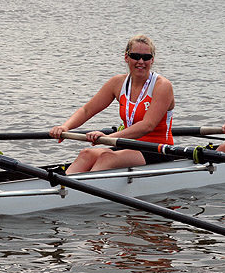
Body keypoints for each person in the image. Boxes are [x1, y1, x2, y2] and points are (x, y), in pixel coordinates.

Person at [49, 34, 175, 173]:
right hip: (128, 144)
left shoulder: (162, 86)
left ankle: (79, 190)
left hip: (157, 150)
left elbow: (147, 125)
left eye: (146, 57)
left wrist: (108, 138)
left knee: (107, 158)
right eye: (135, 56)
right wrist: (65, 127)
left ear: (152, 60)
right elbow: (87, 110)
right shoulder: (117, 83)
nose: (141, 61)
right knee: (86, 154)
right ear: (126, 57)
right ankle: (62, 189)